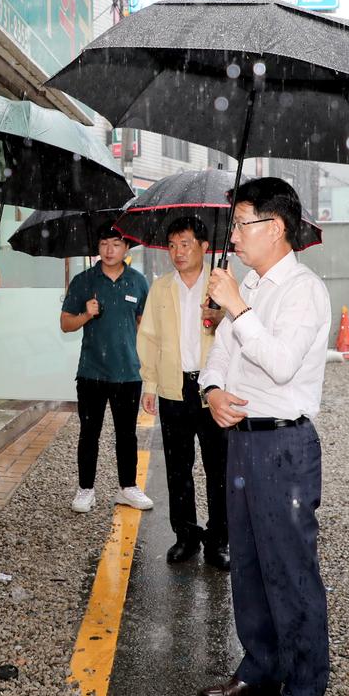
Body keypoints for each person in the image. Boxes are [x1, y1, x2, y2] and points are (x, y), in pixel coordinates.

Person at [197, 178, 331, 696]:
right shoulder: (249, 286)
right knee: (249, 566)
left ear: (274, 227)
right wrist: (211, 391)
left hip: (284, 447)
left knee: (290, 572)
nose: (233, 235)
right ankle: (259, 668)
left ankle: (304, 688)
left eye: (240, 223)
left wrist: (236, 306)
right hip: (243, 443)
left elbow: (280, 364)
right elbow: (221, 356)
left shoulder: (303, 290)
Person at [136, 216, 229, 569]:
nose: (178, 252)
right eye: (172, 245)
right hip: (174, 387)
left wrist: (222, 317)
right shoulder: (161, 288)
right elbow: (149, 338)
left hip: (213, 388)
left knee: (218, 468)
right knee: (178, 468)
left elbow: (242, 332)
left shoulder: (222, 286)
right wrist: (150, 384)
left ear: (204, 247)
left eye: (186, 244)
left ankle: (218, 540)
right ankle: (186, 536)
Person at [61, 228, 152, 513]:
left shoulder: (138, 282)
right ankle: (85, 489)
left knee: (127, 434)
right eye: (103, 244)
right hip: (92, 372)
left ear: (127, 248)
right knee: (89, 433)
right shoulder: (84, 281)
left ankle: (128, 487)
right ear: (97, 247)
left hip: (128, 373)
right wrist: (86, 314)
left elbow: (143, 326)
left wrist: (146, 364)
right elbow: (65, 324)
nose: (109, 250)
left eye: (116, 244)